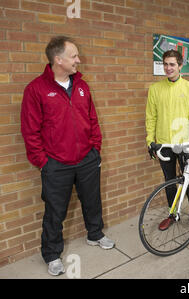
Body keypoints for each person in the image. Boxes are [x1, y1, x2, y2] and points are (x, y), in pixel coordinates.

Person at [21, 36, 114, 276]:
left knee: (92, 201)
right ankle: (52, 254)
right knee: (55, 211)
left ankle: (95, 234)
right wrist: (43, 162)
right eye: (74, 56)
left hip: (87, 159)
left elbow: (92, 120)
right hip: (56, 164)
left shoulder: (82, 86)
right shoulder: (36, 89)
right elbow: (30, 130)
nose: (78, 60)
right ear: (58, 59)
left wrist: (95, 149)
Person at [145, 50, 189, 231]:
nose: (168, 68)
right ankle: (173, 213)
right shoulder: (155, 89)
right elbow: (151, 117)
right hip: (164, 144)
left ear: (180, 66)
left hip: (185, 144)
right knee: (169, 180)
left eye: (172, 64)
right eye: (165, 64)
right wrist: (150, 141)